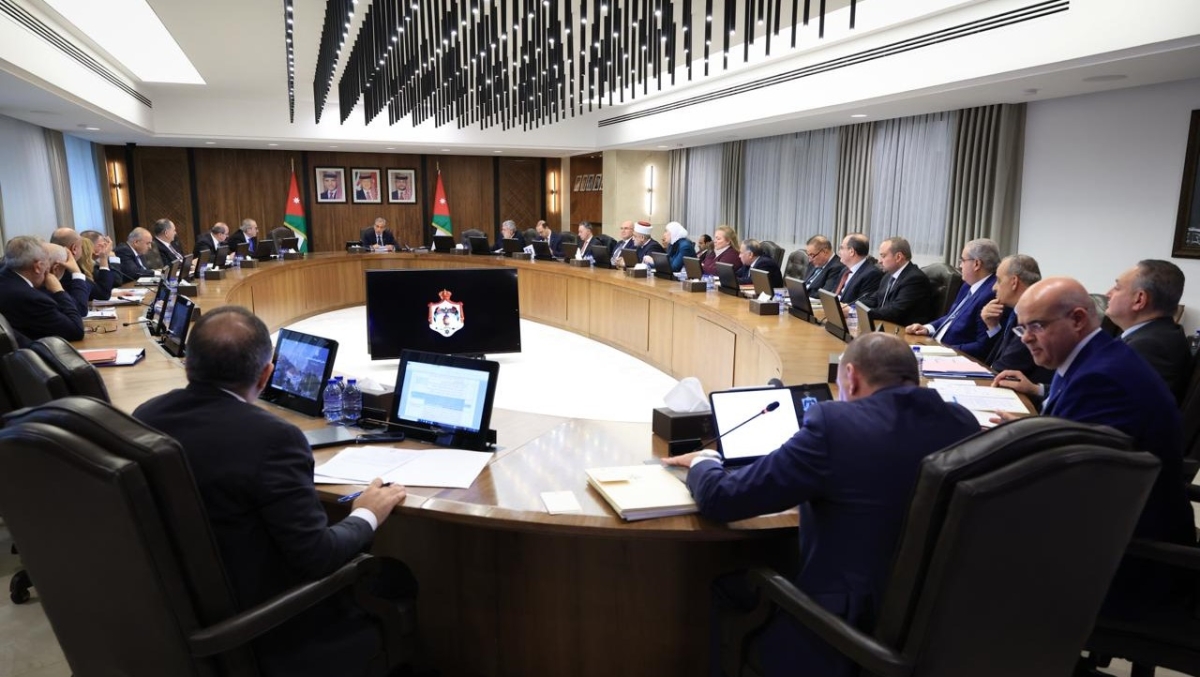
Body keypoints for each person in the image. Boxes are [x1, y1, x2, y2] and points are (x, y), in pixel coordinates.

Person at [663, 333, 979, 677]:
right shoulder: (962, 422)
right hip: (933, 624)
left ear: (851, 377)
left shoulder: (835, 425)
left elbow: (722, 499)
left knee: (732, 586)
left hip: (845, 627)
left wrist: (704, 462)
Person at [133, 306, 414, 677]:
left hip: (173, 611)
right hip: (262, 625)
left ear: (188, 365)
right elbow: (318, 558)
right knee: (394, 574)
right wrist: (367, 513)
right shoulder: (274, 439)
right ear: (266, 374)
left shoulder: (146, 416)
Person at [996, 277, 1193, 619]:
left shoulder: (1102, 379)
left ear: (1077, 319)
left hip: (1130, 556)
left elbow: (1066, 484)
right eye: (1021, 328)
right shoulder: (1090, 358)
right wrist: (1027, 429)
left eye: (1036, 326)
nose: (1026, 338)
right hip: (1110, 525)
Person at [1104, 259, 1191, 404]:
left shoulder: (1148, 347)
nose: (1108, 293)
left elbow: (1111, 404)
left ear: (1139, 300)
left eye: (1117, 288)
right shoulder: (1161, 333)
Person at [906, 238, 1002, 361]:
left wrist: (943, 350)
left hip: (953, 358)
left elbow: (982, 347)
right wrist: (928, 328)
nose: (960, 266)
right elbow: (952, 317)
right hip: (935, 346)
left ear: (976, 264)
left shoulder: (991, 294)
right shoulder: (968, 285)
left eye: (963, 260)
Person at [986, 255, 1054, 396]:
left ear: (1014, 282)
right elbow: (1003, 355)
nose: (993, 288)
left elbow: (1005, 367)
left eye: (998, 281)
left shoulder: (1036, 314)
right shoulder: (1014, 310)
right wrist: (993, 326)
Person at [0, 236, 85, 342]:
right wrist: (59, 291)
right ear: (38, 267)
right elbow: (76, 331)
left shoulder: (6, 278)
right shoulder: (30, 298)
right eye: (47, 262)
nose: (48, 269)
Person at [856, 236, 934, 325]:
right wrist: (851, 307)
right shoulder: (888, 276)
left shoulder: (915, 279)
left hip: (904, 330)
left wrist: (857, 313)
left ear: (898, 257)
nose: (879, 261)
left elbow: (894, 311)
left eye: (883, 256)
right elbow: (874, 299)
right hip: (885, 325)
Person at [833, 233, 881, 305]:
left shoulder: (871, 274)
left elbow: (865, 303)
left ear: (851, 252)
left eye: (842, 248)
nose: (839, 252)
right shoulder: (845, 271)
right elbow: (834, 294)